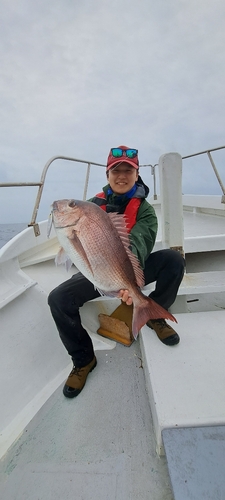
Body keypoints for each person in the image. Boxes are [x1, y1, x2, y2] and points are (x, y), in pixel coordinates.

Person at [48, 145, 185, 399]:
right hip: (96, 270)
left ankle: (153, 313)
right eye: (116, 171)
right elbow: (76, 249)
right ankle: (83, 360)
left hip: (128, 268)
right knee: (57, 299)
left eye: (128, 171)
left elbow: (139, 245)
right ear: (107, 175)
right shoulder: (90, 207)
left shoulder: (145, 210)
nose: (122, 176)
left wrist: (128, 283)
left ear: (136, 174)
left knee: (173, 260)